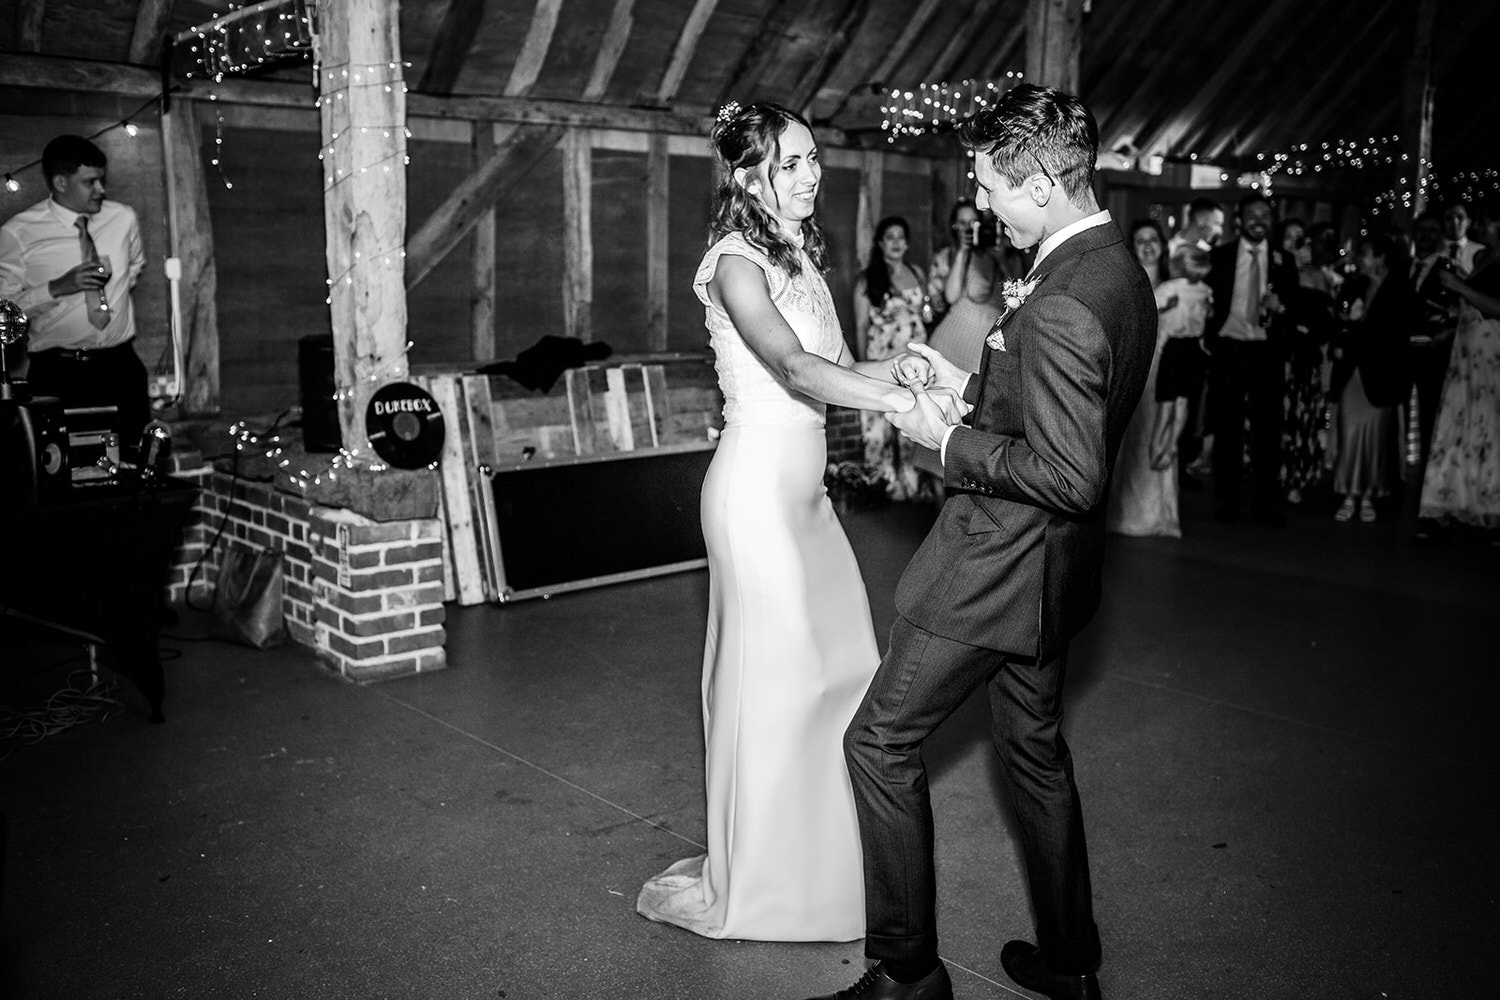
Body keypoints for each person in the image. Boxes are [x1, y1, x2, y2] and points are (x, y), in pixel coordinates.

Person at [808, 83, 1155, 1000]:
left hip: (995, 566)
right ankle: (1073, 966)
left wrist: (945, 441)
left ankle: (909, 974)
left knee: (878, 742)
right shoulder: (1113, 268)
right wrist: (962, 389)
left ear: (1039, 182)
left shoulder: (1064, 298)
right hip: (1052, 579)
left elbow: (1070, 474)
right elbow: (1046, 404)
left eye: (992, 188)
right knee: (1035, 757)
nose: (982, 205)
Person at [635, 102, 936, 943]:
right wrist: (897, 403)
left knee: (842, 678)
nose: (811, 176)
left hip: (808, 498)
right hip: (756, 496)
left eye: (813, 162)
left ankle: (828, 871)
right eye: (794, 162)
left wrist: (898, 368)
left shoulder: (799, 254)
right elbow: (791, 366)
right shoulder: (733, 262)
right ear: (746, 174)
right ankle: (769, 884)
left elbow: (836, 368)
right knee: (779, 686)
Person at [0, 134, 149, 449]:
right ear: (60, 182)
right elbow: (5, 313)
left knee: (137, 459)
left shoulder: (123, 218)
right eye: (90, 182)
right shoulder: (18, 233)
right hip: (59, 372)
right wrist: (56, 288)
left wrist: (112, 297)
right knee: (63, 467)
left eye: (102, 180)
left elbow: (134, 266)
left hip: (121, 364)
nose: (101, 190)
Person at [1203, 193, 1301, 525]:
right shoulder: (1220, 257)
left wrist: (1283, 307)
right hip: (1229, 348)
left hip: (1266, 352)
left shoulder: (1284, 260)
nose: (1259, 220)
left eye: (1265, 215)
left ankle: (1264, 504)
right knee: (1227, 430)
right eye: (1252, 215)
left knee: (1268, 431)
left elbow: (1295, 307)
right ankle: (1227, 502)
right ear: (1240, 221)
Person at [1418, 203, 1500, 541]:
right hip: (1466, 349)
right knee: (1458, 427)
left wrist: (1461, 286)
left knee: (1489, 429)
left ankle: (1491, 508)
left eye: (1487, 221)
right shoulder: (1483, 260)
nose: (1480, 227)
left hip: (1492, 353)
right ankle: (1450, 501)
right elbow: (1474, 304)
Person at [1328, 232, 1414, 523]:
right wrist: (1345, 328)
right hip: (1352, 370)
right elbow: (1337, 321)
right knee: (1349, 433)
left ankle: (1369, 494)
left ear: (1380, 257)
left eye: (1363, 253)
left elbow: (1400, 333)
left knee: (1376, 438)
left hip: (1382, 373)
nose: (1357, 259)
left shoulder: (1400, 288)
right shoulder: (1354, 285)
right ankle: (1348, 493)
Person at [1106, 219, 1180, 537]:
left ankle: (1158, 514)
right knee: (1131, 439)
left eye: (1153, 239)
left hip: (1166, 369)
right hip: (1134, 368)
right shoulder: (1126, 284)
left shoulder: (1178, 284)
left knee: (1159, 435)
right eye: (1140, 240)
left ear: (1162, 245)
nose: (1148, 245)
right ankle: (1127, 513)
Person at [854, 216, 930, 500]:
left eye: (901, 236)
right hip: (881, 359)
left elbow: (927, 313)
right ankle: (881, 486)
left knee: (913, 419)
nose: (897, 242)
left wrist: (924, 314)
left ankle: (912, 486)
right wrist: (862, 369)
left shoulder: (917, 273)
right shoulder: (867, 279)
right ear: (880, 243)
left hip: (914, 359)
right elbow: (861, 325)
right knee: (878, 423)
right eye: (890, 237)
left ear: (907, 242)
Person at [1276, 218, 1338, 505]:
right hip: (1277, 356)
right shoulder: (1275, 272)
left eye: (1300, 238)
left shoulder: (1320, 277)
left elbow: (1329, 323)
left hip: (1306, 360)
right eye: (1288, 237)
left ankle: (1296, 477)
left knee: (1302, 421)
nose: (1295, 244)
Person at [925, 198, 1016, 374]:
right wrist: (963, 251)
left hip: (982, 346)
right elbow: (950, 297)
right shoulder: (949, 256)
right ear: (954, 226)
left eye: (973, 222)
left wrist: (1001, 260)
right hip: (950, 339)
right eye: (962, 223)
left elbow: (1015, 297)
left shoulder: (1000, 254)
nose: (968, 228)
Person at [1442, 202, 1487, 277]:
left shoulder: (1481, 252)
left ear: (1468, 222)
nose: (1454, 222)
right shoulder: (1433, 250)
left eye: (1460, 217)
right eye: (1449, 218)